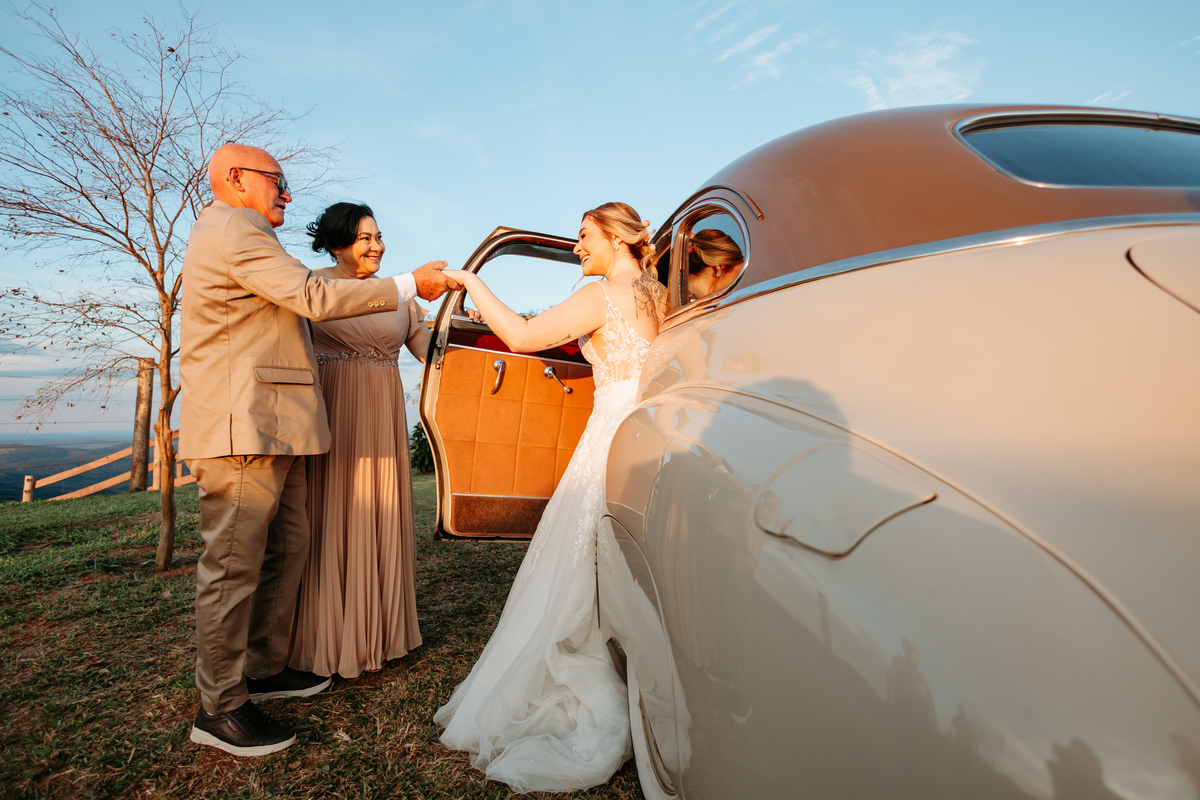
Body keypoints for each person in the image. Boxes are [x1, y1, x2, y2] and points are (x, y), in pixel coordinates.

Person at [178, 144, 454, 757]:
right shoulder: (234, 226)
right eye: (277, 180)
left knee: (288, 546)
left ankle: (265, 668)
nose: (287, 192)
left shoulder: (248, 233)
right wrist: (410, 283)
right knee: (232, 568)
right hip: (243, 426)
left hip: (283, 427)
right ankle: (219, 707)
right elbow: (315, 298)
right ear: (236, 178)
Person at [434, 202, 666, 793]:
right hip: (651, 433)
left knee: (577, 560)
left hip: (609, 434)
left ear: (617, 238)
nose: (577, 247)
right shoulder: (661, 295)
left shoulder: (600, 295)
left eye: (585, 235)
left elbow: (520, 336)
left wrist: (469, 281)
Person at [288, 202, 427, 679]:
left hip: (382, 414)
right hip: (332, 410)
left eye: (379, 236)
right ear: (337, 243)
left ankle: (378, 632)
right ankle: (324, 634)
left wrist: (471, 330)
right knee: (333, 512)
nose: (377, 246)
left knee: (379, 507)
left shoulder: (401, 296)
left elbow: (431, 351)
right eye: (365, 238)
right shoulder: (312, 285)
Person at [686, 227, 744, 301]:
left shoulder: (678, 301)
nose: (741, 282)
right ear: (719, 268)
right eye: (740, 274)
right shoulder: (726, 304)